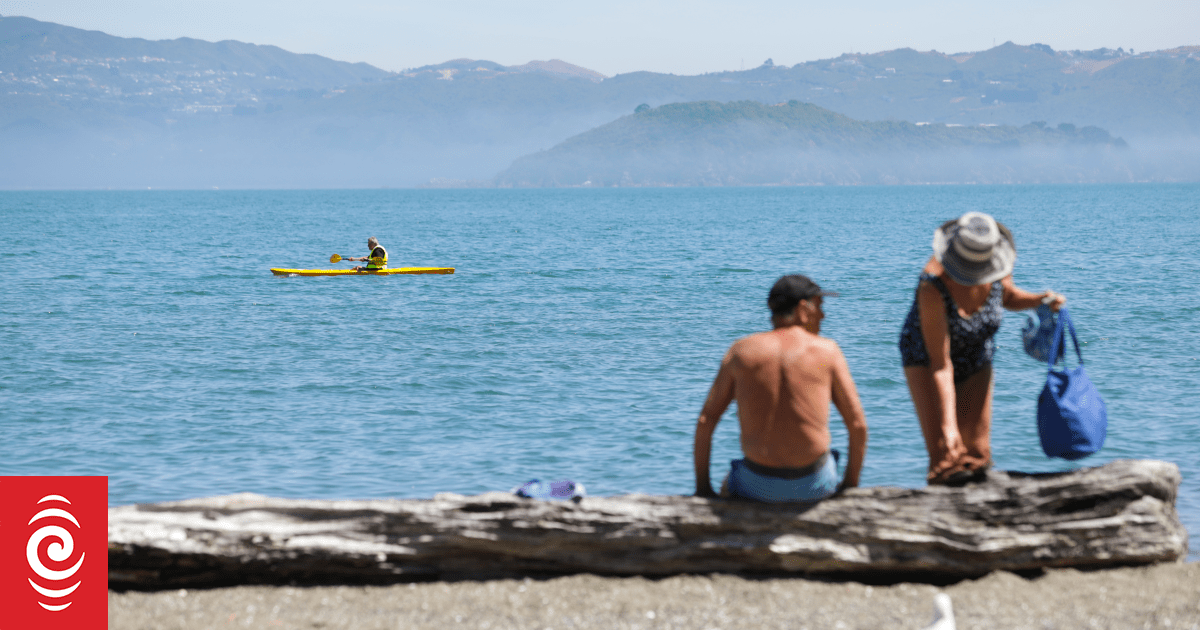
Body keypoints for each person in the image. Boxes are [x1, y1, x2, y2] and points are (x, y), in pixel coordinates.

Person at [899, 212, 1065, 486]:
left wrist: (1041, 299)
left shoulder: (996, 266)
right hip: (927, 359)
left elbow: (1007, 296)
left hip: (976, 353)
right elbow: (941, 364)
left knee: (976, 455)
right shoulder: (932, 285)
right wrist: (948, 426)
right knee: (946, 457)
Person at [693, 275, 868, 502]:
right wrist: (850, 486)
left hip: (755, 485)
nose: (823, 315)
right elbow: (858, 425)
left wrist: (703, 489)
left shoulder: (741, 351)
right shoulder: (827, 351)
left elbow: (706, 421)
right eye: (819, 306)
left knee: (729, 482)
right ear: (803, 309)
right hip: (814, 484)